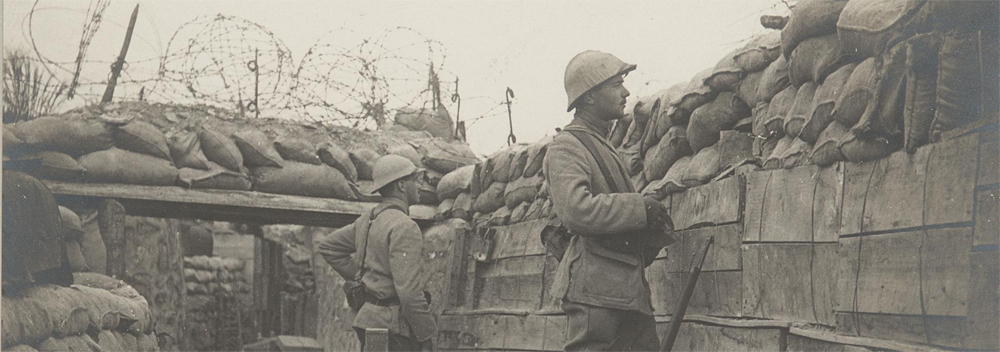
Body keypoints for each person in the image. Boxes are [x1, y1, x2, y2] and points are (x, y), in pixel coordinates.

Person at [544, 50, 675, 351]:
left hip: (625, 290)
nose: (626, 91)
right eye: (616, 85)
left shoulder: (602, 144)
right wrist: (639, 208)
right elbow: (576, 211)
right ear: (589, 97)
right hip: (596, 292)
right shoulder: (568, 145)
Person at [318, 154, 437, 352]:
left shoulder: (368, 220)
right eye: (414, 180)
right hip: (394, 329)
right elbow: (409, 293)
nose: (419, 186)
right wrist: (426, 336)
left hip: (368, 320)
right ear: (400, 185)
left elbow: (328, 247)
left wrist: (362, 279)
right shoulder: (405, 226)